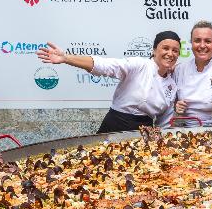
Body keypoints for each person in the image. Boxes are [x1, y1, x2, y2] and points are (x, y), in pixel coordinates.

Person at [36, 31, 180, 133]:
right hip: (116, 125)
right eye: (165, 48)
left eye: (175, 50)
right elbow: (105, 65)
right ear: (154, 50)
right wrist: (66, 58)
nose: (170, 54)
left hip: (144, 132)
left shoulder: (171, 86)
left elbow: (164, 124)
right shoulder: (140, 65)